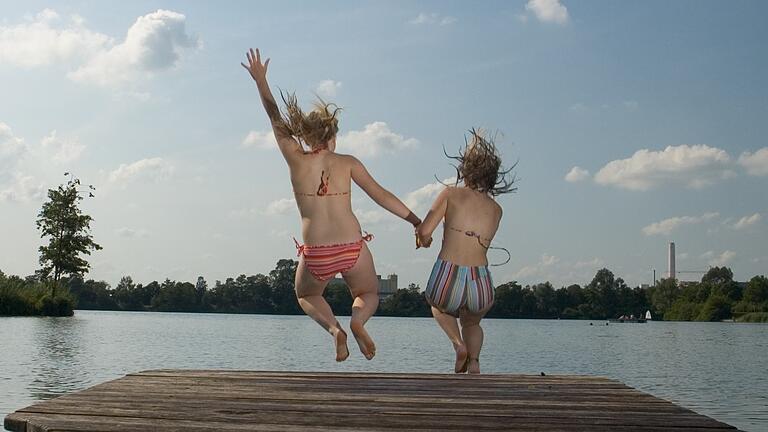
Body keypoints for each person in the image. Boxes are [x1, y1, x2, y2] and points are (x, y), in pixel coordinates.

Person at [241, 48, 421, 362]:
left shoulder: (295, 159)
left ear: (306, 137)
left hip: (317, 253)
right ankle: (357, 321)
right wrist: (416, 221)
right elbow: (381, 195)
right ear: (333, 136)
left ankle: (335, 330)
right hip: (352, 246)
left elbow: (274, 116)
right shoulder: (348, 162)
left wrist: (261, 81)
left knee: (307, 294)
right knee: (367, 294)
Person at [416, 129, 515, 374]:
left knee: (437, 307)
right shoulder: (496, 209)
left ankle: (458, 344)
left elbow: (425, 230)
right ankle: (474, 363)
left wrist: (423, 239)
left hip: (448, 272)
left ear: (465, 170)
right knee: (472, 322)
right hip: (480, 280)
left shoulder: (451, 193)